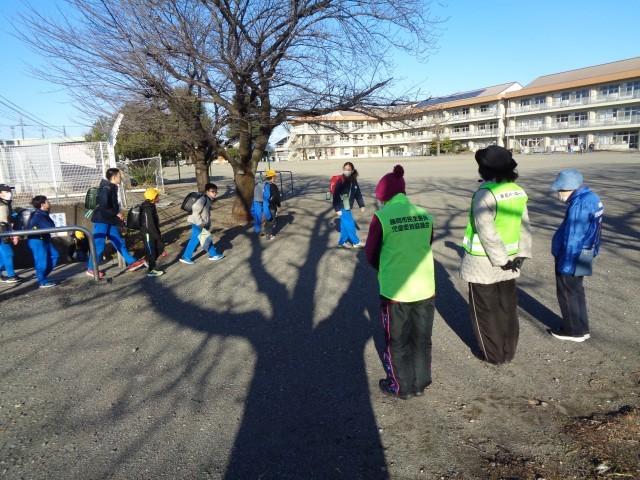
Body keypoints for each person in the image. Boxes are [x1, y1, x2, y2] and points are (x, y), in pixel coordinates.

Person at [366, 165, 435, 400]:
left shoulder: (382, 217)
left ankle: (401, 386)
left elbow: (371, 254)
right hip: (425, 287)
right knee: (422, 338)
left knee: (397, 340)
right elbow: (427, 243)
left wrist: (385, 266)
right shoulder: (424, 214)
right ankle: (420, 382)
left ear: (384, 195)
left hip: (396, 289)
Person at [459, 146, 532, 365]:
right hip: (512, 261)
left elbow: (487, 231)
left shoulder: (485, 193)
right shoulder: (517, 191)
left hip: (484, 263)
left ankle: (494, 355)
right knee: (507, 308)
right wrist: (521, 254)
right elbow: (524, 225)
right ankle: (508, 351)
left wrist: (501, 260)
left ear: (484, 169)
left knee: (485, 311)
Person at [549, 169, 604, 342]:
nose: (558, 193)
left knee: (567, 292)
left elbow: (574, 237)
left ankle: (573, 331)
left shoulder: (579, 204)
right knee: (577, 291)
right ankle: (582, 327)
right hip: (586, 253)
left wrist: (566, 265)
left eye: (560, 189)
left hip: (572, 256)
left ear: (569, 187)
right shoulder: (592, 197)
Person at [88, 168, 146, 277]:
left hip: (108, 219)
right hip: (101, 220)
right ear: (114, 177)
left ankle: (131, 262)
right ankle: (91, 269)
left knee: (118, 241)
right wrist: (117, 214)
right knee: (99, 244)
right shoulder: (106, 188)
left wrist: (117, 218)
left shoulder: (111, 187)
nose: (121, 178)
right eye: (119, 176)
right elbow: (104, 205)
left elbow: (110, 207)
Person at [180, 183, 224, 264]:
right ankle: (186, 257)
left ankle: (213, 255)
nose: (214, 193)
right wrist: (201, 224)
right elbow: (195, 212)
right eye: (212, 191)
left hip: (199, 223)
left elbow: (205, 213)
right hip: (198, 223)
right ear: (207, 191)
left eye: (216, 192)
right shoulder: (203, 199)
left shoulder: (208, 199)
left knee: (205, 238)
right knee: (198, 239)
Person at [27, 195, 60, 288]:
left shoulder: (43, 213)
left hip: (44, 239)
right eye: (47, 201)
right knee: (41, 262)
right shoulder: (39, 215)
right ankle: (42, 281)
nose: (49, 203)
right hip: (37, 240)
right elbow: (49, 227)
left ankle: (41, 276)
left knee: (55, 256)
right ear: (43, 204)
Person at [333, 161, 366, 248]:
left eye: (348, 169)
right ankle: (356, 242)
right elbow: (335, 195)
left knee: (344, 226)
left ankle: (342, 242)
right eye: (345, 169)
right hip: (342, 206)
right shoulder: (341, 180)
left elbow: (357, 193)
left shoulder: (353, 180)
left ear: (352, 170)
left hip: (348, 206)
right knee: (350, 224)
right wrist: (337, 209)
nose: (346, 171)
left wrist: (361, 205)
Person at [140, 188, 166, 277]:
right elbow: (149, 226)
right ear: (153, 198)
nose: (159, 197)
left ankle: (147, 261)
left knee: (157, 249)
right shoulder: (148, 210)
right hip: (148, 234)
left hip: (153, 233)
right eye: (157, 196)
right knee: (152, 252)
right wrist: (158, 237)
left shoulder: (151, 206)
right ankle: (151, 270)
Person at [0, 184, 21, 283]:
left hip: (4, 231)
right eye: (6, 191)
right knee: (8, 253)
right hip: (2, 232)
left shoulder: (6, 203)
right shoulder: (2, 204)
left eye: (10, 191)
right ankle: (11, 275)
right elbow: (3, 221)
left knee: (3, 255)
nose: (10, 193)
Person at [262, 170, 281, 240]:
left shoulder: (264, 185)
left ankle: (265, 231)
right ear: (272, 177)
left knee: (268, 218)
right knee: (272, 221)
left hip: (265, 205)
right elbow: (276, 197)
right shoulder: (273, 186)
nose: (275, 177)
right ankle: (269, 235)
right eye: (274, 176)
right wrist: (279, 205)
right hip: (272, 206)